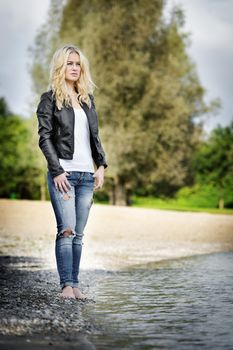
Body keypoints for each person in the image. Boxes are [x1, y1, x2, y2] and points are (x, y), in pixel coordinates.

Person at [36, 44, 107, 300]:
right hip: (63, 175)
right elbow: (44, 138)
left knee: (78, 235)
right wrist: (56, 170)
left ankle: (75, 285)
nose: (74, 68)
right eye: (69, 63)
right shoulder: (49, 99)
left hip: (86, 176)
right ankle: (66, 285)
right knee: (66, 231)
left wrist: (101, 166)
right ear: (60, 66)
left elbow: (94, 137)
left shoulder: (87, 100)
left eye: (78, 64)